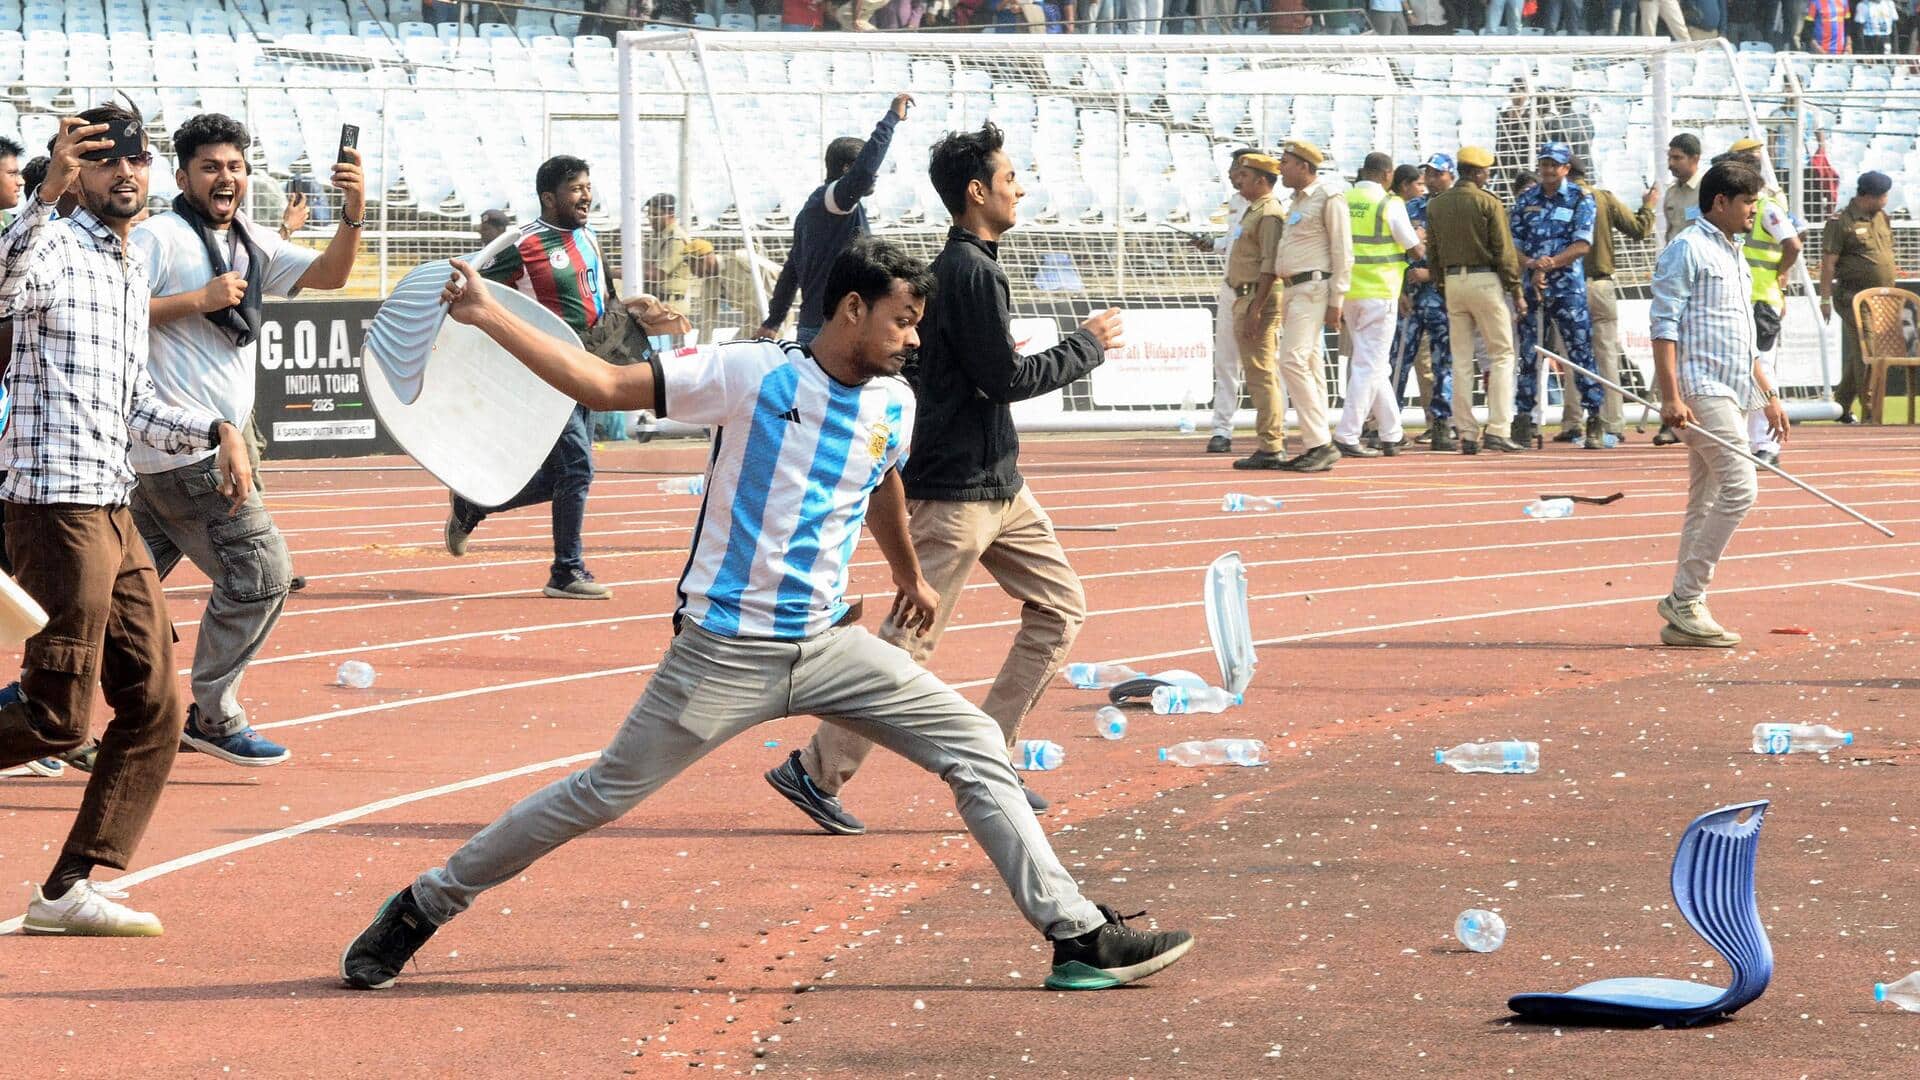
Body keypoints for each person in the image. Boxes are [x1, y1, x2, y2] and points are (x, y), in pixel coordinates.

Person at [340, 237, 1190, 993]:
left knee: (974, 747)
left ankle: (1076, 934)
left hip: (830, 646)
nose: (916, 338)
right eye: (902, 321)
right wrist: (486, 310)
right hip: (721, 655)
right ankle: (424, 904)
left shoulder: (895, 401)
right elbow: (599, 382)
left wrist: (908, 574)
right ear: (853, 308)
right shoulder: (752, 374)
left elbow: (883, 476)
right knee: (600, 794)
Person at [771, 122, 1123, 830]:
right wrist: (1087, 346)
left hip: (1000, 483)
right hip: (956, 487)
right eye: (1010, 178)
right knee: (909, 642)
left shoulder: (969, 269)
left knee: (1060, 609)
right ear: (976, 191)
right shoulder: (968, 269)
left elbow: (955, 365)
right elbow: (1004, 379)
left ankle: (989, 758)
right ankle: (813, 772)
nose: (1020, 188)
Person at [0, 108, 255, 934]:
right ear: (73, 170)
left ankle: (67, 888)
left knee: (154, 706)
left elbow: (136, 403)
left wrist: (212, 430)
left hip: (112, 505)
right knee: (55, 717)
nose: (125, 175)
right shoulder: (47, 248)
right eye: (103, 161)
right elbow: (1, 286)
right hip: (53, 505)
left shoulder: (121, 267)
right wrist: (44, 194)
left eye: (135, 161)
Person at [126, 114, 363, 768]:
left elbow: (332, 276)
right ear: (182, 177)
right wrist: (196, 299)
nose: (224, 176)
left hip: (174, 460)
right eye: (209, 166)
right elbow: (110, 308)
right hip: (189, 452)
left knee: (109, 589)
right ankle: (213, 715)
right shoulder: (160, 238)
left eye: (234, 166)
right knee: (262, 575)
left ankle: (38, 700)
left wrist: (353, 211)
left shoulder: (251, 242)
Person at [444, 156, 612, 600]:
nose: (587, 196)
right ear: (549, 197)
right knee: (578, 467)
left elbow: (601, 297)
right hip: (548, 370)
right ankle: (566, 570)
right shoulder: (522, 244)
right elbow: (471, 288)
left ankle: (474, 504)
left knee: (565, 474)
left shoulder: (590, 237)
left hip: (590, 366)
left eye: (588, 187)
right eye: (576, 188)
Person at [1651, 159, 1789, 649]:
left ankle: (1683, 608)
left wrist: (1768, 395)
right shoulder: (1685, 249)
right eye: (1749, 202)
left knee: (1705, 499)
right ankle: (1687, 598)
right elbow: (1663, 328)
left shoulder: (1733, 251)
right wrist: (1670, 397)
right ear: (1720, 203)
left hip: (1734, 388)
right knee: (1741, 488)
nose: (1755, 210)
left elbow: (1744, 337)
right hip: (1699, 390)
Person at [759, 93, 912, 346]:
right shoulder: (833, 202)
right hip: (835, 333)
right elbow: (863, 173)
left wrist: (773, 321)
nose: (874, 176)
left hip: (816, 328)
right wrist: (892, 117)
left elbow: (791, 271)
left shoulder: (811, 211)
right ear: (846, 171)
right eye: (867, 169)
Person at [1425, 145, 1527, 455]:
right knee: (1502, 355)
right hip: (1486, 281)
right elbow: (1505, 252)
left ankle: (1466, 432)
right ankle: (1497, 428)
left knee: (1460, 360)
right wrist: (1516, 291)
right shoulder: (1488, 202)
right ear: (1480, 173)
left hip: (1453, 281)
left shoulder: (1437, 205)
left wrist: (1443, 284)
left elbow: (1433, 254)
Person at [1255, 140, 1349, 474]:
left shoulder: (1329, 197)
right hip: (1294, 288)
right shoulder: (1295, 200)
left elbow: (1342, 251)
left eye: (1286, 162)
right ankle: (1317, 442)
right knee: (1309, 364)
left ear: (1305, 167)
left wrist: (1337, 299)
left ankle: (1320, 443)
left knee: (1291, 360)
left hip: (1313, 287)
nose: (1281, 168)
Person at [1509, 142, 1606, 450]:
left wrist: (1550, 264)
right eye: (1544, 164)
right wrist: (1531, 264)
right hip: (1532, 286)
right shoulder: (1526, 199)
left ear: (1566, 168)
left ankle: (1594, 417)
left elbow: (1582, 245)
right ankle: (1524, 417)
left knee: (1580, 353)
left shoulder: (1581, 199)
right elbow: (1514, 244)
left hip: (1567, 289)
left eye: (1555, 164)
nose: (1548, 170)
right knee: (1528, 353)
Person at [1334, 152, 1423, 459]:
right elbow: (1415, 248)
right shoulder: (1390, 203)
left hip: (1349, 292)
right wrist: (1422, 238)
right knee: (1367, 366)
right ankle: (1347, 434)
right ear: (1387, 175)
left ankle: (1391, 433)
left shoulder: (1344, 199)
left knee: (1375, 366)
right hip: (1380, 292)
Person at [1561, 163, 1657, 445]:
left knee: (1571, 356)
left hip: (1568, 284)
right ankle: (1613, 422)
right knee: (1607, 357)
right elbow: (1640, 229)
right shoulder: (1602, 197)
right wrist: (1648, 206)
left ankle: (1572, 420)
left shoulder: (1558, 200)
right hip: (1600, 282)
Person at [1721, 139, 1801, 463]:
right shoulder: (1733, 209)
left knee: (1762, 369)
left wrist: (1780, 277)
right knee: (1740, 370)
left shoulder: (1767, 207)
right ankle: (1746, 442)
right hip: (1739, 296)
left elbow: (1793, 245)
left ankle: (1766, 446)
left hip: (1761, 300)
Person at [1211, 153, 1289, 468]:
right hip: (1243, 295)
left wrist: (1257, 308)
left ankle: (1271, 445)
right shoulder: (1252, 210)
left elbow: (1271, 266)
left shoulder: (1269, 213)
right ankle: (1268, 442)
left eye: (1244, 175)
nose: (1237, 179)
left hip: (1257, 298)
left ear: (1260, 179)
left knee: (1262, 374)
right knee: (1256, 373)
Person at [1191, 147, 1259, 456]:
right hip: (1230, 288)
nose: (1233, 176)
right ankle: (1221, 429)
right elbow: (1233, 243)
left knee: (1265, 364)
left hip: (1260, 292)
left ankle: (1274, 426)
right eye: (1233, 171)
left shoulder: (1272, 207)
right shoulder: (1235, 203)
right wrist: (1212, 244)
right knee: (1226, 362)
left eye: (1240, 172)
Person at [1391, 154, 1458, 452]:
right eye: (1428, 174)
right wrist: (1402, 285)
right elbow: (1397, 252)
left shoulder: (1458, 207)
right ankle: (1390, 424)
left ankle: (1442, 424)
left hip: (1444, 296)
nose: (1431, 179)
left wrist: (1433, 273)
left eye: (1438, 174)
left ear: (1451, 176)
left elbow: (1466, 253)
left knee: (1443, 362)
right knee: (1398, 360)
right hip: (1411, 298)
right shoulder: (1411, 208)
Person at [1821, 170, 1896, 424]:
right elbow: (1829, 263)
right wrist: (1824, 298)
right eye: (1884, 195)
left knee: (1861, 352)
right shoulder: (1841, 221)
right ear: (1870, 196)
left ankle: (1841, 406)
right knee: (1869, 350)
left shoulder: (1882, 217)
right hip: (1854, 297)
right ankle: (1870, 411)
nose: (1887, 200)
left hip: (1882, 300)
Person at [642, 192, 695, 334]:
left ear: (670, 213)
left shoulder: (676, 239)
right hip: (656, 308)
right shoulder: (657, 237)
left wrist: (619, 272)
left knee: (670, 355)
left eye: (655, 215)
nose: (650, 219)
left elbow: (658, 275)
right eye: (650, 215)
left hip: (671, 310)